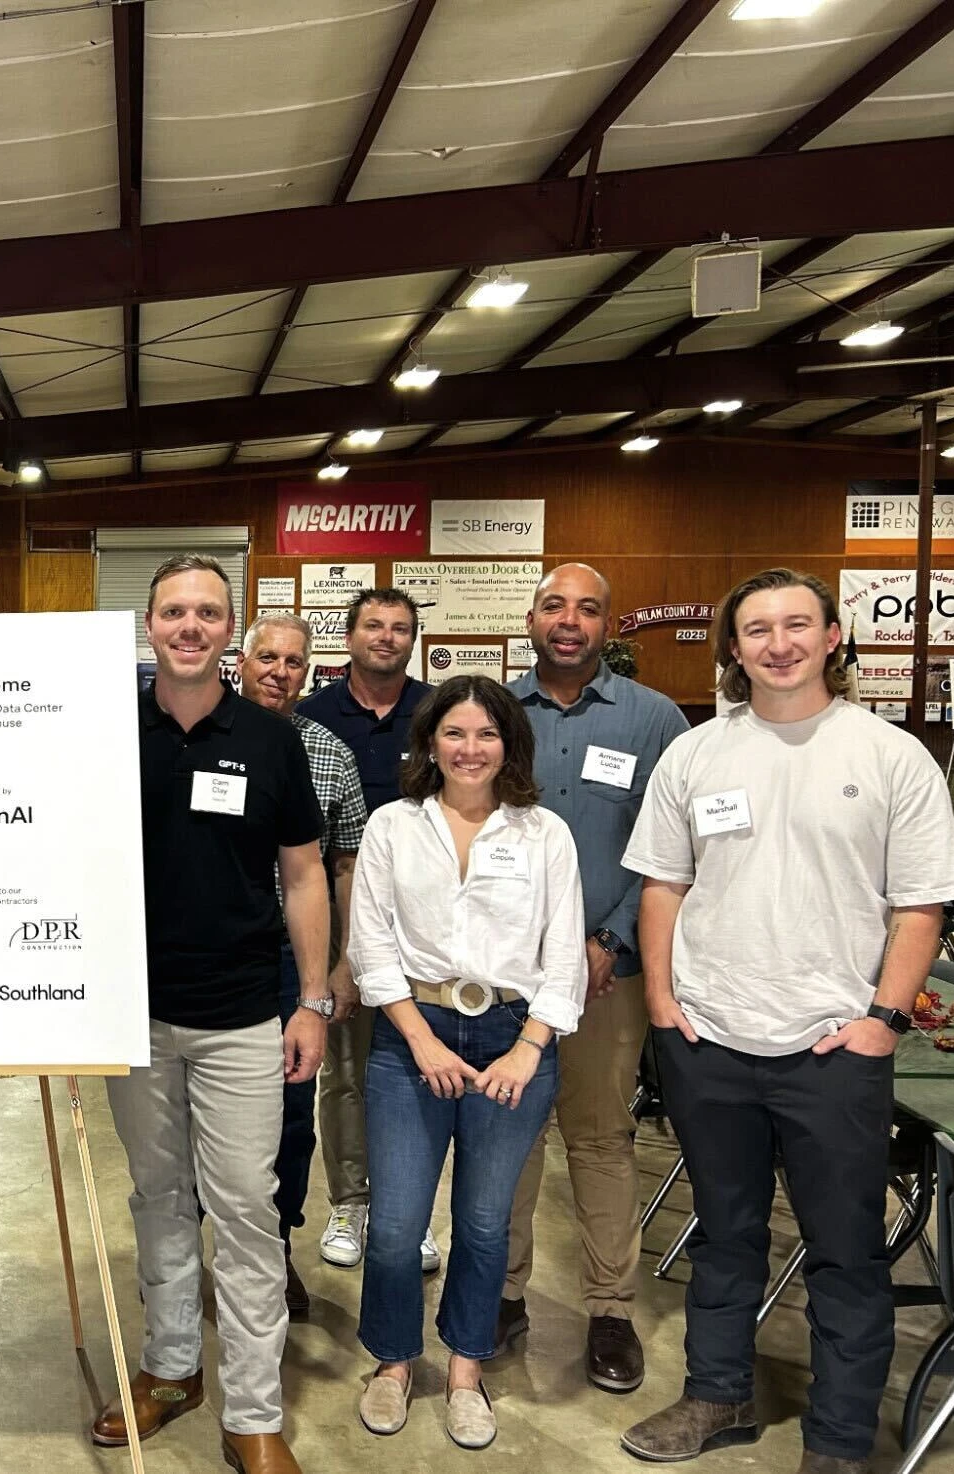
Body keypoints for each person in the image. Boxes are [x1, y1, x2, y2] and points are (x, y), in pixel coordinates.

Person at [619, 569, 954, 1474]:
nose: (777, 644)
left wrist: (882, 1019)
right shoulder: (696, 755)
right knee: (724, 1231)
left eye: (796, 625)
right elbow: (663, 885)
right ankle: (717, 1392)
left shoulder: (888, 756)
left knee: (844, 1250)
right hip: (708, 1039)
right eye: (757, 629)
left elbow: (920, 906)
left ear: (831, 636)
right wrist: (662, 999)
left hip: (832, 1048)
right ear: (733, 648)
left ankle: (839, 1441)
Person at [97, 555, 330, 1474]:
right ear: (148, 624)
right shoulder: (106, 729)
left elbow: (303, 875)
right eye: (172, 612)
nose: (188, 627)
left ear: (228, 629)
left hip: (241, 1017)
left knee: (243, 1207)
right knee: (158, 1198)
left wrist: (311, 1000)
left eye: (206, 612)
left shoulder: (271, 740)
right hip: (133, 1016)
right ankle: (168, 1370)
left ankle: (254, 1410)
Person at [349, 675, 586, 1450]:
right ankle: (392, 1362)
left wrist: (528, 1048)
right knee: (394, 1225)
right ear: (430, 741)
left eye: (486, 733)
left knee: (484, 1224)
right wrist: (419, 1040)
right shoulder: (392, 825)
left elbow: (563, 953)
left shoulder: (543, 833)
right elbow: (370, 942)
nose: (469, 748)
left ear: (509, 744)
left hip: (512, 1040)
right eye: (454, 732)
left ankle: (464, 1369)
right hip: (410, 1035)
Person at [500, 564, 688, 1392]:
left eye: (586, 608)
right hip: (506, 972)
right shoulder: (493, 710)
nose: (568, 620)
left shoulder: (655, 719)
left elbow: (671, 849)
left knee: (601, 1138)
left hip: (608, 973)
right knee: (507, 1134)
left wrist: (609, 939)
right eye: (553, 605)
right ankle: (500, 1293)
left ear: (608, 625)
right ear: (531, 618)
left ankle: (610, 1309)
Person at [297, 588, 438, 1274]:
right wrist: (341, 954)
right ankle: (350, 1202)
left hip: (427, 920)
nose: (386, 637)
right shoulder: (311, 718)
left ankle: (410, 1210)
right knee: (346, 1071)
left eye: (400, 628)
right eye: (373, 626)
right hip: (341, 916)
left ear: (413, 640)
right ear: (348, 637)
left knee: (420, 1067)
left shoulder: (438, 711)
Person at [239, 612, 367, 1317]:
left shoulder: (328, 754)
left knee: (289, 1111)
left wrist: (339, 966)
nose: (279, 672)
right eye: (267, 657)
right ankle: (187, 1243)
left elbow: (344, 866)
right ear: (241, 661)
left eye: (293, 662)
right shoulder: (207, 738)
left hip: (292, 960)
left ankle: (276, 1245)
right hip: (215, 953)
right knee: (193, 1110)